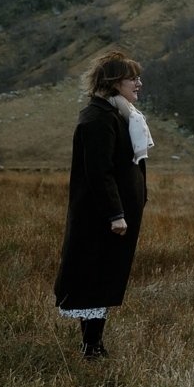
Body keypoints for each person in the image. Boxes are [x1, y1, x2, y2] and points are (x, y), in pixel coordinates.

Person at [53, 50, 153, 360]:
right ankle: (91, 346)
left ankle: (93, 344)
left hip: (113, 216)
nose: (138, 83)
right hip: (100, 217)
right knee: (93, 277)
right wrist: (115, 214)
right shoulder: (98, 118)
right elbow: (98, 172)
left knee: (103, 277)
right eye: (131, 78)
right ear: (114, 83)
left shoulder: (118, 113)